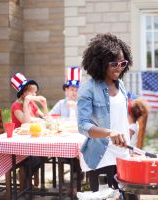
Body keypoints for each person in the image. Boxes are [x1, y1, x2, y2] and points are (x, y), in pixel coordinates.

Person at [77, 33, 133, 193]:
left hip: (122, 152)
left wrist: (130, 131)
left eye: (123, 63)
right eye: (114, 64)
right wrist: (110, 133)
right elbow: (82, 126)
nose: (119, 68)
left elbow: (120, 116)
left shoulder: (120, 84)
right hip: (100, 157)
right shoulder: (87, 89)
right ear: (100, 64)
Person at [10, 72, 48, 189]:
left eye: (35, 92)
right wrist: (26, 104)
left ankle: (25, 178)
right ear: (23, 93)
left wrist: (44, 104)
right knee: (36, 158)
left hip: (32, 139)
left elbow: (45, 118)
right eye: (31, 91)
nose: (34, 94)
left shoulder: (32, 104)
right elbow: (26, 122)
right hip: (20, 143)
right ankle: (25, 181)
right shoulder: (16, 106)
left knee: (45, 154)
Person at [49, 66, 83, 192]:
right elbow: (51, 118)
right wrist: (57, 121)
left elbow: (87, 120)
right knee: (66, 152)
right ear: (66, 91)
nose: (74, 92)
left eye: (76, 90)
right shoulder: (61, 104)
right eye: (71, 90)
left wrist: (76, 107)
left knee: (78, 152)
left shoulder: (82, 103)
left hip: (78, 136)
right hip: (64, 137)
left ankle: (76, 181)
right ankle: (65, 181)